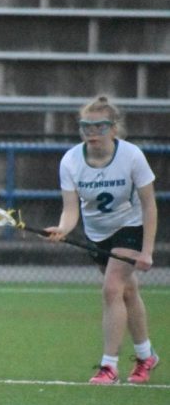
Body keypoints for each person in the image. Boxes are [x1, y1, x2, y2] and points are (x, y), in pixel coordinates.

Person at [44, 95, 159, 385]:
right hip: (96, 233)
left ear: (114, 128)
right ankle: (146, 356)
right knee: (127, 292)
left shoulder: (132, 156)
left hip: (129, 226)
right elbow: (71, 209)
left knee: (111, 289)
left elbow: (149, 205)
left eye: (99, 126)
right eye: (86, 127)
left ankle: (109, 366)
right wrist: (62, 229)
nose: (92, 133)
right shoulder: (71, 161)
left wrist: (147, 251)